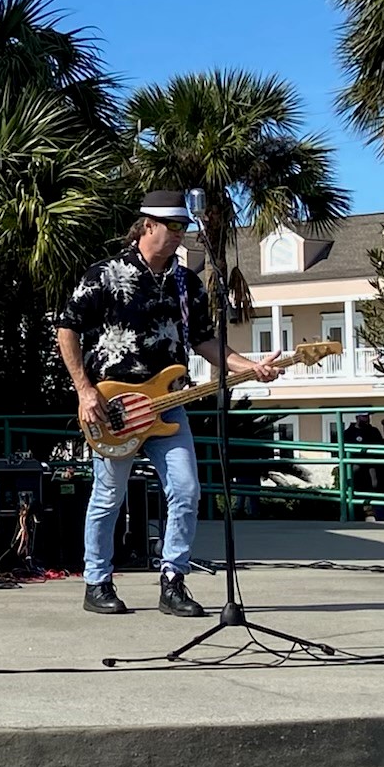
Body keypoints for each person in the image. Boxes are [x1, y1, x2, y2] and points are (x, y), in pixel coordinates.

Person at [55, 190, 282, 617]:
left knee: (186, 489)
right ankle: (97, 581)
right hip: (113, 405)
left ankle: (173, 581)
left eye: (184, 228)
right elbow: (66, 328)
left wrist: (249, 367)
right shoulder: (105, 273)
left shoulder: (186, 281)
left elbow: (203, 341)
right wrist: (85, 391)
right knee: (109, 496)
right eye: (172, 227)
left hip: (168, 404)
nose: (180, 235)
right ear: (147, 225)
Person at [342, 412, 384, 520]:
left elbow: (380, 450)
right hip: (356, 472)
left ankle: (375, 517)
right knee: (354, 496)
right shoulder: (348, 433)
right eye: (364, 416)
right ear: (357, 417)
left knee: (374, 496)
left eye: (368, 416)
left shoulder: (374, 431)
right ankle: (354, 517)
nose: (367, 419)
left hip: (372, 470)